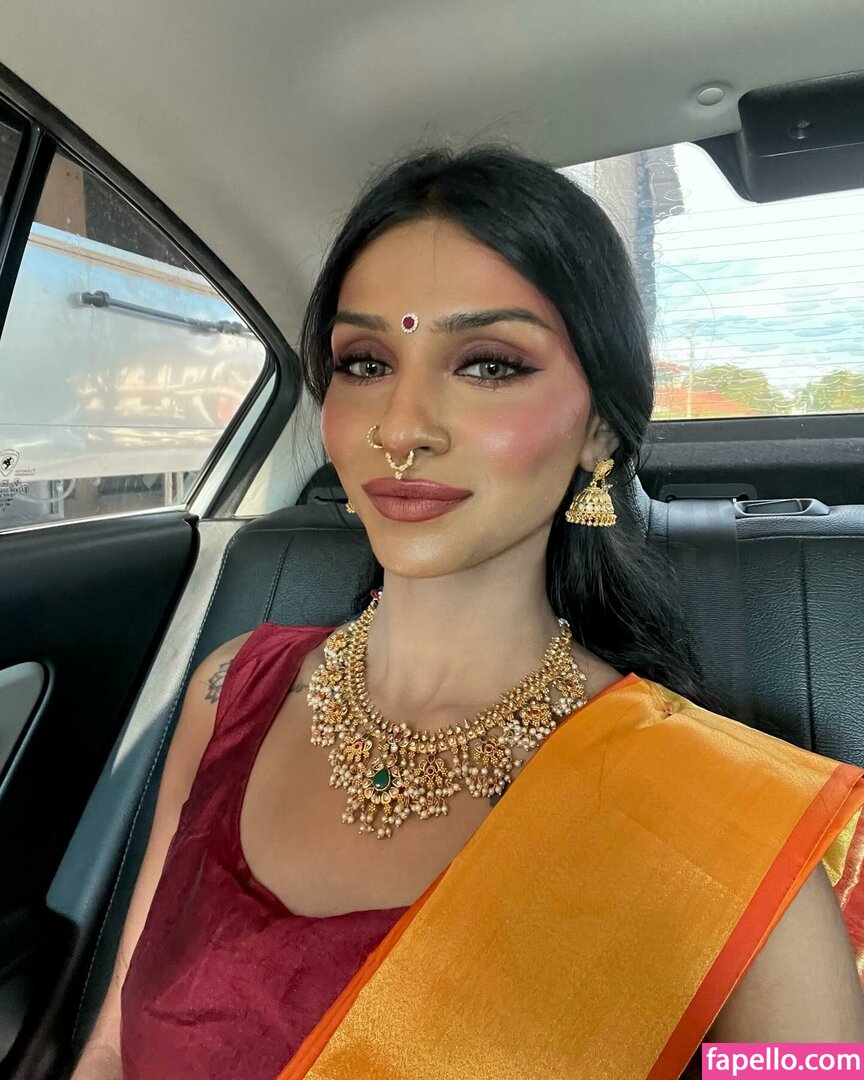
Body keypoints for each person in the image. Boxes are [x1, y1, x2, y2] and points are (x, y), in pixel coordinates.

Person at [72, 146, 864, 1080]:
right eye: (365, 362)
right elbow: (113, 1045)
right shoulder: (230, 690)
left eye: (488, 364)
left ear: (600, 426)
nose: (401, 427)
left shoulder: (733, 842)